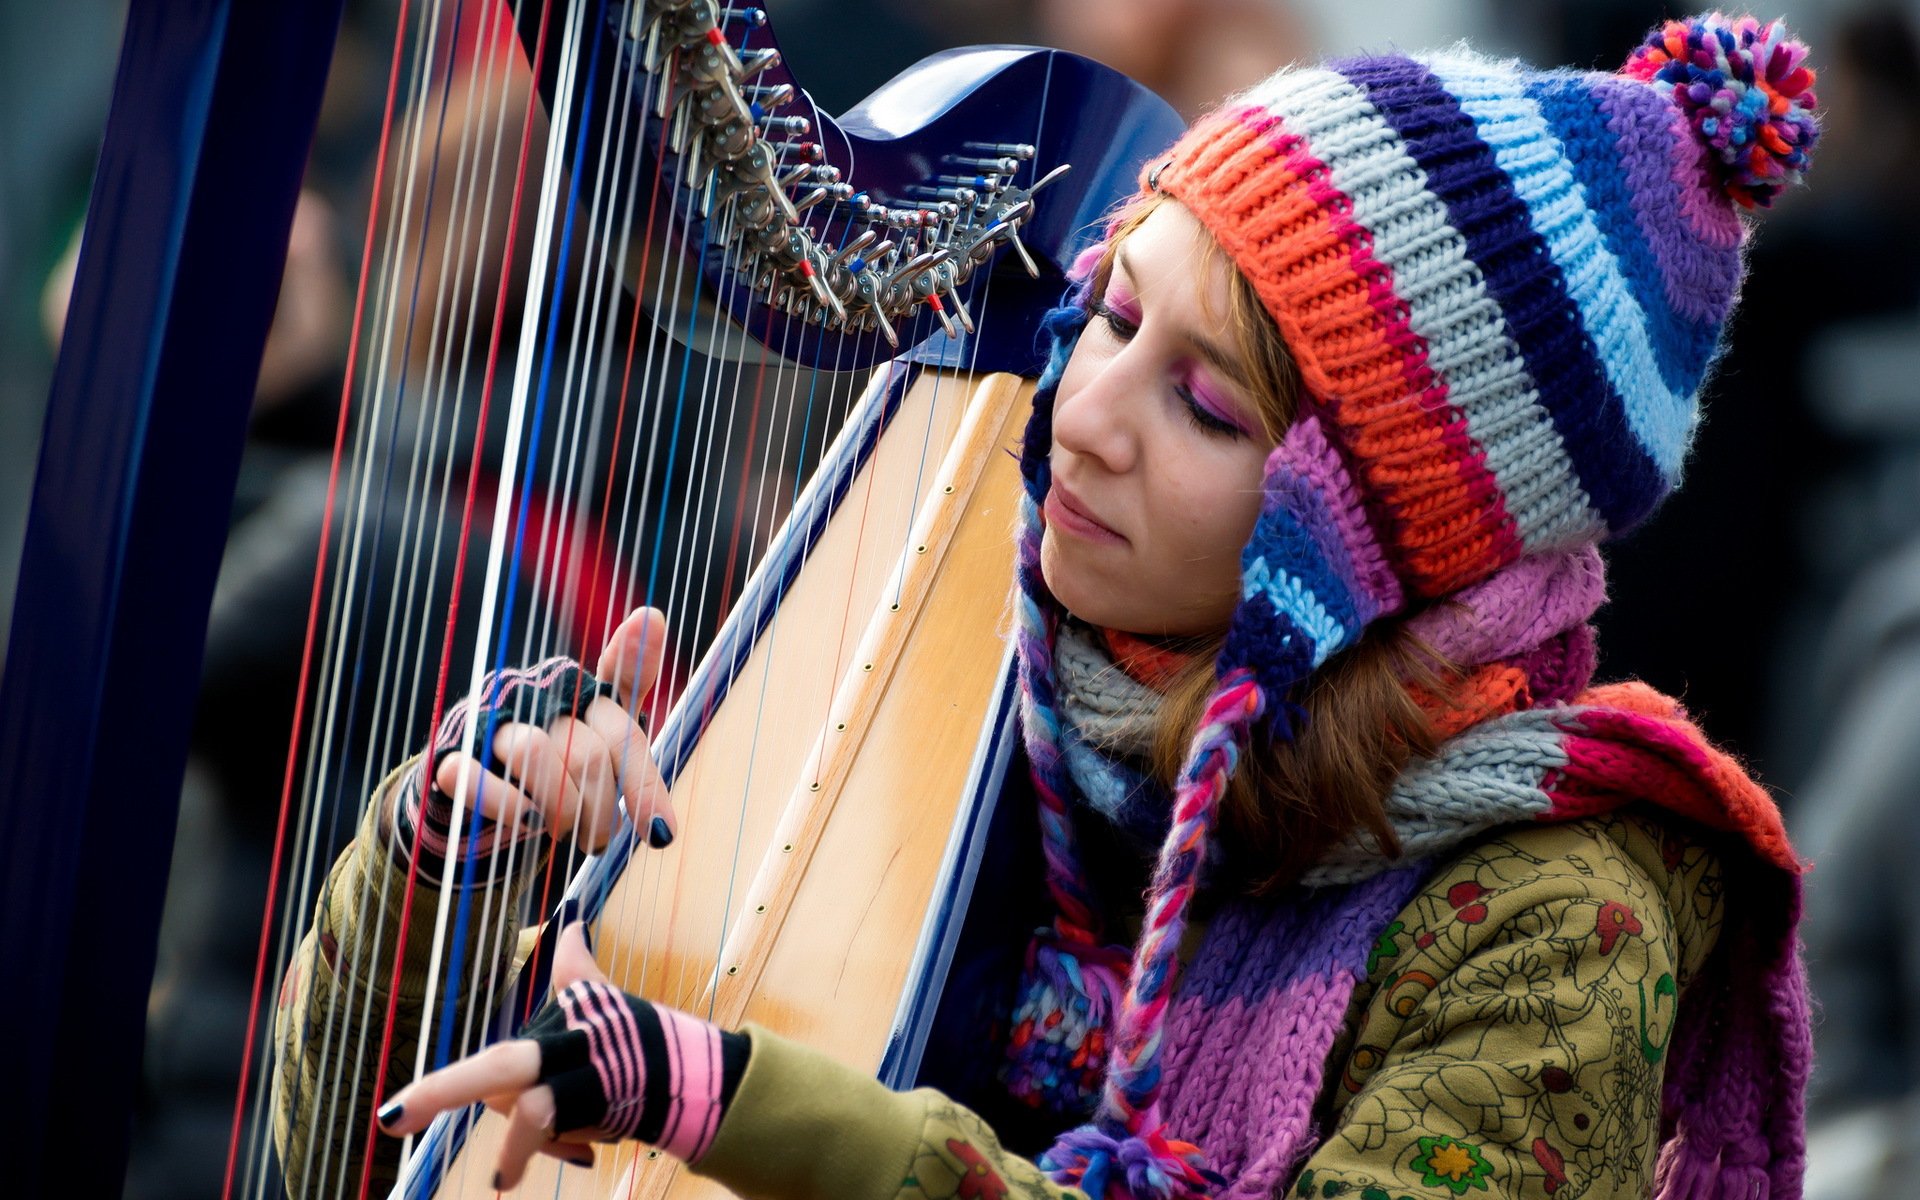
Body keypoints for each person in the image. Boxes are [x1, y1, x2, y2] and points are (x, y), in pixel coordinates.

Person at [275, 12, 1823, 1199]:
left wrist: (735, 1101)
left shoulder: (1565, 920)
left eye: (1208, 408)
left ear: (1371, 538)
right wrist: (449, 864)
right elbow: (327, 1140)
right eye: (1115, 314)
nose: (1082, 412)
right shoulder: (979, 678)